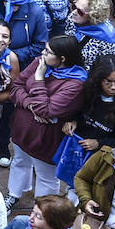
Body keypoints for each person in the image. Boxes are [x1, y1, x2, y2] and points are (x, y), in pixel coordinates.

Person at [8, 36, 88, 209]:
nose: (42, 54)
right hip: (22, 130)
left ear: (63, 58)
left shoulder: (75, 83)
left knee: (46, 176)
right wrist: (30, 105)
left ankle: (43, 210)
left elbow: (45, 111)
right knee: (20, 162)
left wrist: (38, 78)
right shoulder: (40, 62)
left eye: (48, 51)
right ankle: (14, 194)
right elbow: (15, 88)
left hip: (45, 140)